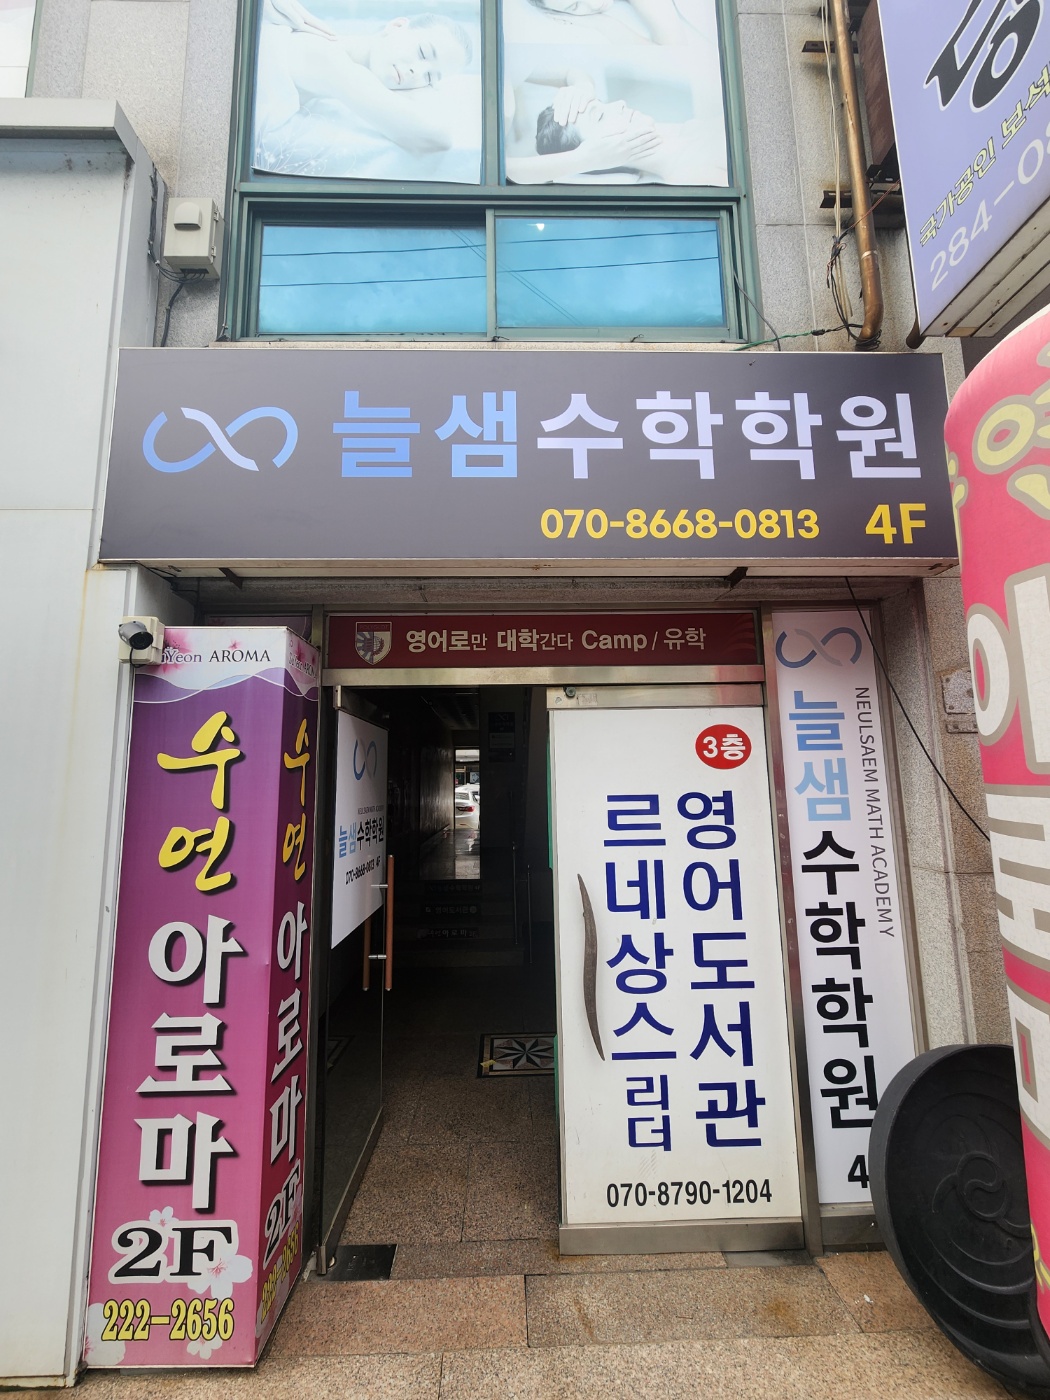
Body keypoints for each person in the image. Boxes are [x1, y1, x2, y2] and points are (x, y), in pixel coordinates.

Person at [255, 3, 474, 160]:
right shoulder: (324, 56)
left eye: (429, 77)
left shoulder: (338, 61)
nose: (416, 71)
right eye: (423, 52)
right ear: (397, 26)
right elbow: (436, 137)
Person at [522, 93, 726, 184]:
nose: (620, 103)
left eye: (603, 103)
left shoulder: (690, 129)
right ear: (599, 153)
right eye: (600, 116)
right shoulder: (689, 174)